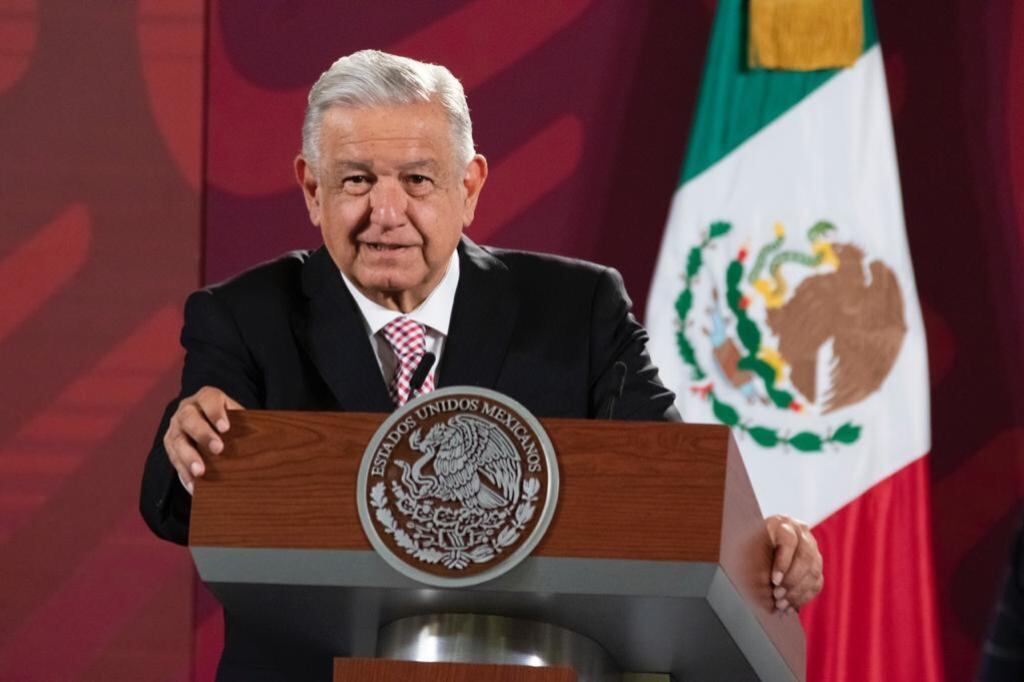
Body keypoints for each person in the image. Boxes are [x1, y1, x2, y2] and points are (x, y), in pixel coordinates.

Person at [140, 49, 823, 680]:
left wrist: (759, 548)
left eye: (417, 179)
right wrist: (188, 439)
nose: (387, 211)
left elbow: (669, 484)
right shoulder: (244, 315)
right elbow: (178, 500)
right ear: (311, 189)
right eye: (356, 180)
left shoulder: (577, 309)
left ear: (468, 187)